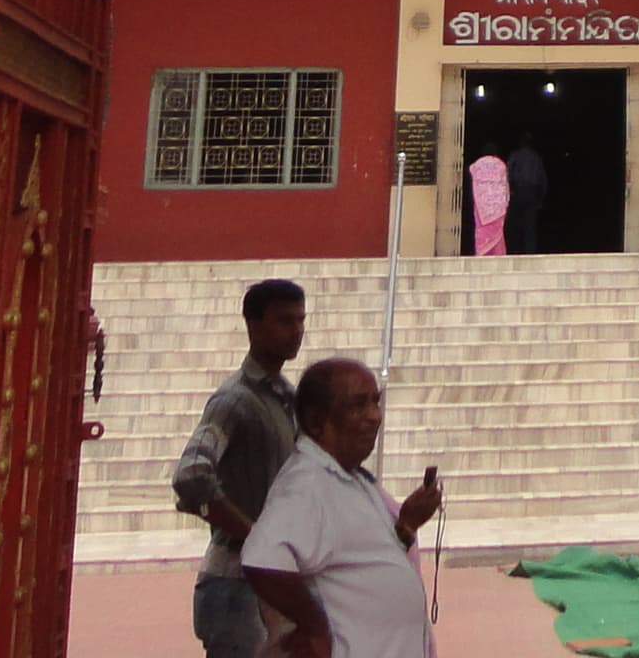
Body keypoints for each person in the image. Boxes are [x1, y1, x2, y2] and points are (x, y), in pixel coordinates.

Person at [243, 357, 441, 658]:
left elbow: (361, 560)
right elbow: (261, 558)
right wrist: (314, 627)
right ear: (315, 420)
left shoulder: (350, 477)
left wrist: (407, 526)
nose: (374, 416)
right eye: (358, 405)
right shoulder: (306, 483)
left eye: (376, 402)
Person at [172, 280, 308, 658]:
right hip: (236, 585)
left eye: (300, 320)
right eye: (284, 321)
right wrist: (255, 534)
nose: (296, 331)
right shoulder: (235, 401)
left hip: (268, 583)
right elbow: (191, 475)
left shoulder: (285, 398)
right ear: (253, 325)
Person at [502, 135, 549, 253]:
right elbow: (543, 180)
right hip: (530, 193)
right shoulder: (536, 158)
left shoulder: (516, 156)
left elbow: (506, 174)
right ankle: (529, 251)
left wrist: (508, 193)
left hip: (518, 192)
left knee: (516, 225)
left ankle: (515, 251)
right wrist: (540, 198)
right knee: (530, 226)